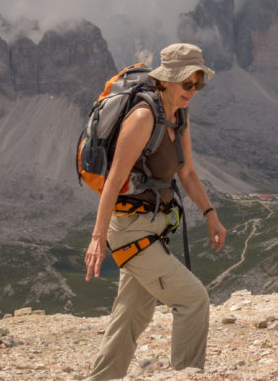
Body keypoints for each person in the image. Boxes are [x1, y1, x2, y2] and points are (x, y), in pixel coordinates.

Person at [84, 43, 227, 380]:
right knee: (193, 299)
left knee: (131, 315)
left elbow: (187, 172)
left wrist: (211, 215)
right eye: (187, 83)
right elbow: (114, 180)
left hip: (153, 228)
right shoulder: (143, 117)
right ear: (166, 80)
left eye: (198, 84)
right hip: (132, 229)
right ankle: (188, 376)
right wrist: (97, 238)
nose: (193, 91)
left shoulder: (179, 115)